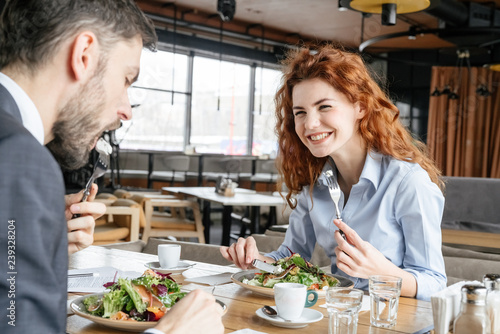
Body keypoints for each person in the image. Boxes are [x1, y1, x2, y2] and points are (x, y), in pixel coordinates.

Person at [0, 1, 224, 333]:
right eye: (126, 79)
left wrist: (40, 239)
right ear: (84, 55)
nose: (126, 111)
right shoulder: (22, 157)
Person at [221, 44, 447, 301]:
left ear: (360, 107)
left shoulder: (408, 183)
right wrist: (257, 260)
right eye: (300, 112)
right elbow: (291, 257)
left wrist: (383, 273)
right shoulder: (315, 185)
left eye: (324, 107)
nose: (310, 124)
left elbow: (435, 283)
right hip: (336, 317)